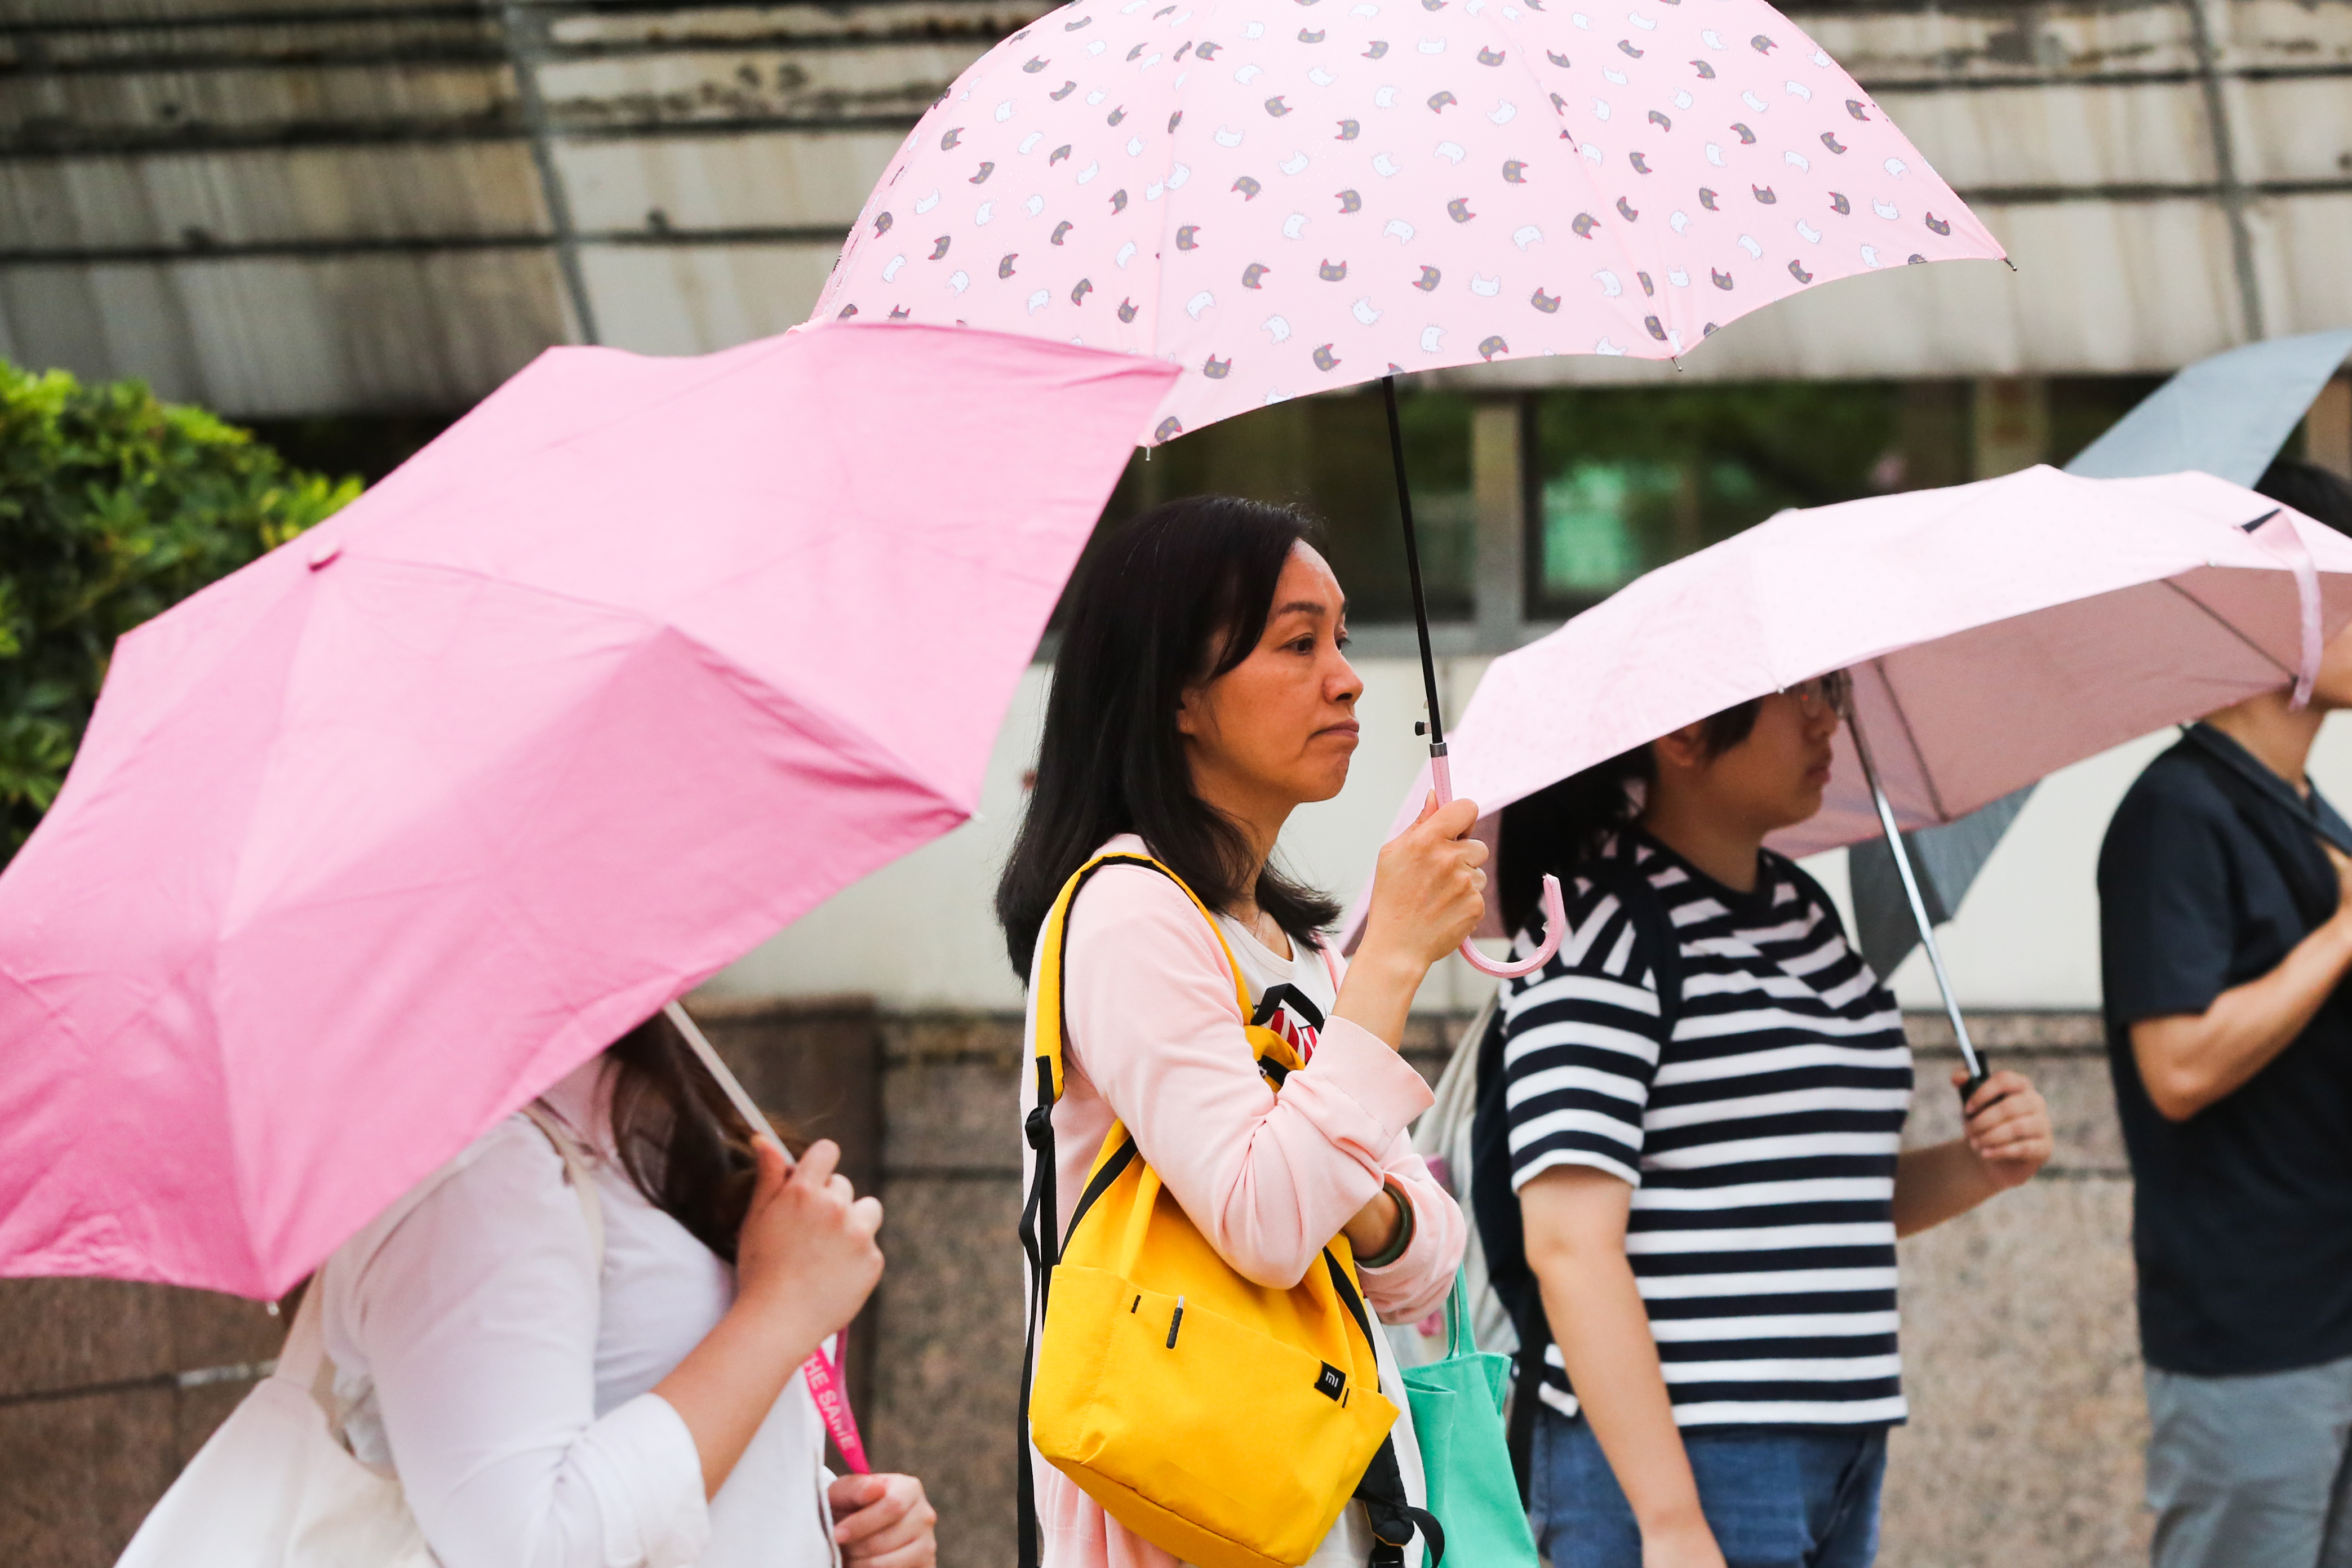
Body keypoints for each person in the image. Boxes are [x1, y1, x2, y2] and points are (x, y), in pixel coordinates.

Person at [995, 495, 1479, 1567]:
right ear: (1178, 694)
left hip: (1335, 1506)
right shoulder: (1129, 911)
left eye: (1340, 639)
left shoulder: (1300, 950)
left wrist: (1327, 1175)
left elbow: (1426, 1262)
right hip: (1187, 1520)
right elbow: (1266, 1220)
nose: (1344, 677)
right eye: (1295, 642)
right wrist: (1395, 956)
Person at [1479, 672, 2054, 1568]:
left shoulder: (1803, 911)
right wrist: (1668, 1520)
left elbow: (1813, 1196)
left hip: (1840, 1438)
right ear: (1684, 734)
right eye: (1797, 691)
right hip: (1680, 1455)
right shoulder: (1599, 927)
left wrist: (1982, 1164)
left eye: (1831, 688)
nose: (1829, 715)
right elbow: (1568, 1243)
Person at [315, 1008, 938, 1568]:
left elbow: (646, 1417)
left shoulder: (632, 1090)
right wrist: (779, 1311)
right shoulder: (476, 1166)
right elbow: (531, 1549)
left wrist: (820, 1520)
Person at [2095, 457, 2352, 1568]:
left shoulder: (2304, 809)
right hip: (2251, 1336)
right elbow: (2177, 1063)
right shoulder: (2176, 811)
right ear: (2271, 607)